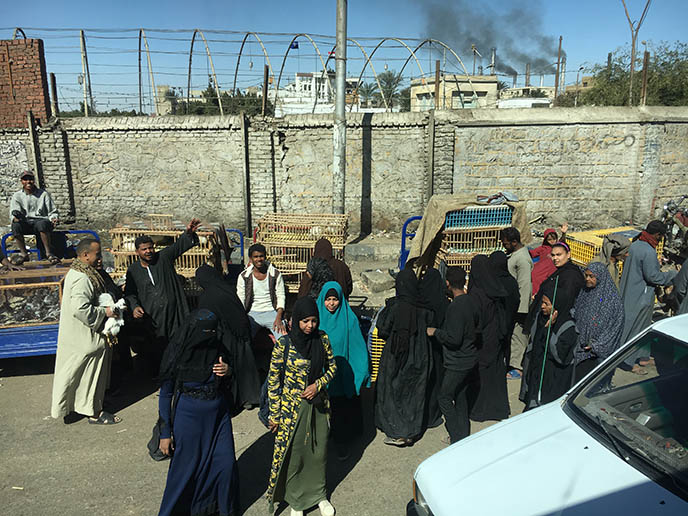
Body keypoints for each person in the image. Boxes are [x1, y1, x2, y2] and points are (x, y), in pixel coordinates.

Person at [157, 309, 238, 516]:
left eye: (212, 330)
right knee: (185, 471)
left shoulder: (219, 348)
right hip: (188, 419)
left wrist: (228, 370)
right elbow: (165, 395)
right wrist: (165, 433)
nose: (208, 335)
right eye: (204, 331)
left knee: (225, 465)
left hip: (219, 417)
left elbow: (234, 377)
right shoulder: (178, 354)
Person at [266, 297, 337, 516]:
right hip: (291, 412)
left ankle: (319, 495)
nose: (310, 326)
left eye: (314, 321)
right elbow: (273, 381)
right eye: (305, 321)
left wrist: (318, 384)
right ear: (296, 320)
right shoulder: (284, 345)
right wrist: (275, 415)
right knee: (295, 455)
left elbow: (332, 367)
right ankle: (297, 501)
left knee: (318, 454)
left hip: (318, 407)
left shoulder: (322, 339)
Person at [51, 237, 121, 424]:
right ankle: (94, 412)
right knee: (87, 376)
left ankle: (89, 404)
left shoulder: (84, 272)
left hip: (84, 336)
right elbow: (80, 309)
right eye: (97, 255)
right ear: (85, 255)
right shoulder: (82, 278)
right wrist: (105, 312)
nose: (100, 259)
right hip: (84, 338)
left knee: (85, 377)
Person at [125, 218, 201, 374]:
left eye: (150, 248)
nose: (148, 251)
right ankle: (159, 375)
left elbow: (179, 246)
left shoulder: (163, 258)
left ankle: (178, 372)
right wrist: (135, 306)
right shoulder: (133, 270)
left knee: (177, 342)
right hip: (152, 317)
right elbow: (130, 293)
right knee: (156, 347)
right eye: (144, 249)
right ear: (137, 252)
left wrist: (188, 233)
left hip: (174, 313)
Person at [374, 266, 435, 446]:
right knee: (414, 392)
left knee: (392, 392)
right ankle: (411, 431)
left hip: (395, 356)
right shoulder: (424, 307)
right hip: (420, 355)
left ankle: (396, 432)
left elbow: (382, 330)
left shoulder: (394, 307)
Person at [316, 281, 370, 459]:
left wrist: (361, 371)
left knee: (342, 409)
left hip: (343, 374)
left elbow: (357, 348)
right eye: (328, 299)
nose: (331, 303)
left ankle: (342, 443)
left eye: (335, 299)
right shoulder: (315, 318)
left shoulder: (349, 319)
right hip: (322, 374)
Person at [196, 264, 260, 410]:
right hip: (241, 334)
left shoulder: (207, 296)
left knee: (231, 368)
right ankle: (251, 397)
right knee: (246, 366)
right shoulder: (226, 289)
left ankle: (239, 399)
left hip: (227, 338)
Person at [426, 266, 477, 444]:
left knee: (444, 397)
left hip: (458, 361)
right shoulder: (471, 301)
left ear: (447, 283)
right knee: (461, 396)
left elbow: (454, 339)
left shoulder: (456, 307)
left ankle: (456, 437)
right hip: (470, 357)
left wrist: (435, 332)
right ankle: (463, 433)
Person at [619, 221, 677, 372]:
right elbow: (654, 277)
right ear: (658, 235)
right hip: (640, 296)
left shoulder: (635, 245)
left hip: (630, 291)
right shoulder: (648, 251)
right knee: (635, 327)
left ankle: (642, 357)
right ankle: (628, 362)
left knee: (642, 326)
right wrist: (673, 274)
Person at [521, 278, 578, 410]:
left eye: (547, 304)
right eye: (542, 303)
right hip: (538, 372)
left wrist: (549, 331)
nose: (542, 307)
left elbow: (560, 355)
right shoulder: (540, 319)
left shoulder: (568, 327)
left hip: (553, 379)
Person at [466, 255, 510, 422]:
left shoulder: (477, 293)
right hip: (495, 337)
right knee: (495, 373)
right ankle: (496, 409)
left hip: (483, 340)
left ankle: (480, 410)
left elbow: (476, 321)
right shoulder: (494, 287)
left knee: (481, 375)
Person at [573, 262, 625, 383]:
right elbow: (576, 310)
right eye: (586, 275)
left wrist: (597, 345)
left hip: (597, 354)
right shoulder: (585, 292)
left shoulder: (612, 300)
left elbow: (615, 328)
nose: (587, 279)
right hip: (581, 350)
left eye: (592, 276)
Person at [500, 227, 533, 379]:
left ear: (514, 242)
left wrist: (522, 309)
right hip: (512, 303)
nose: (504, 246)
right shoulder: (514, 255)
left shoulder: (522, 259)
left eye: (506, 243)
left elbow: (525, 284)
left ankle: (517, 367)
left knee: (518, 336)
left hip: (519, 306)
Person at [236, 243, 287, 341]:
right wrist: (241, 318)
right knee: (243, 339)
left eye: (261, 256)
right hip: (252, 313)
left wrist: (279, 317)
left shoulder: (275, 274)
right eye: (256, 257)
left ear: (265, 257)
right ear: (250, 259)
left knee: (284, 339)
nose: (259, 259)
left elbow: (281, 295)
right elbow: (241, 298)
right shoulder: (244, 276)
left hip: (272, 312)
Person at [9, 170, 60, 264]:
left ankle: (49, 253)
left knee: (42, 224)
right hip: (26, 222)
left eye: (30, 179)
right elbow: (14, 213)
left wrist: (54, 218)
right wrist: (16, 218)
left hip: (40, 221)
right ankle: (24, 254)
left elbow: (52, 211)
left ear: (34, 181)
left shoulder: (43, 194)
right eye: (25, 179)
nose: (28, 182)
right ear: (22, 181)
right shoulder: (17, 196)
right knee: (15, 226)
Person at [529, 224, 568, 296]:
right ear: (546, 240)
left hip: (552, 272)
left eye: (554, 239)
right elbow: (531, 253)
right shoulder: (543, 248)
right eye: (549, 239)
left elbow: (562, 242)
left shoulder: (557, 247)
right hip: (541, 271)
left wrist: (563, 233)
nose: (552, 241)